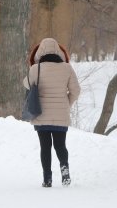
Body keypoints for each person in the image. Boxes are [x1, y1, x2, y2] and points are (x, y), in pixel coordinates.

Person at [25, 38, 80, 187]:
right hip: (60, 114)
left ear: (40, 52)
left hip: (41, 114)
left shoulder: (36, 69)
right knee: (60, 145)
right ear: (58, 51)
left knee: (45, 147)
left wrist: (33, 67)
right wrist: (66, 104)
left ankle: (47, 179)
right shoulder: (67, 68)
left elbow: (26, 84)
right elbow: (76, 90)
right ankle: (65, 172)